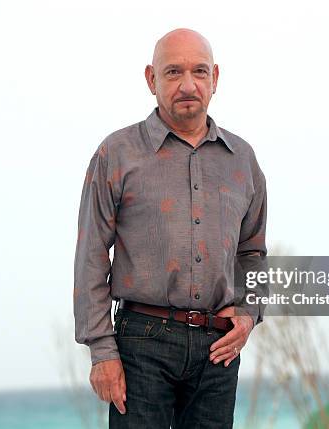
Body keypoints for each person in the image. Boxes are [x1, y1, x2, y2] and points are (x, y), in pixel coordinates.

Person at [73, 28, 268, 428]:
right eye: (173, 72)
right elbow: (91, 254)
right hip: (142, 344)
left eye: (199, 71)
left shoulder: (243, 160)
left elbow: (252, 253)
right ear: (151, 79)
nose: (188, 85)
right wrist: (101, 350)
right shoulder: (117, 153)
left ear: (215, 77)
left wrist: (248, 314)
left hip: (219, 348)